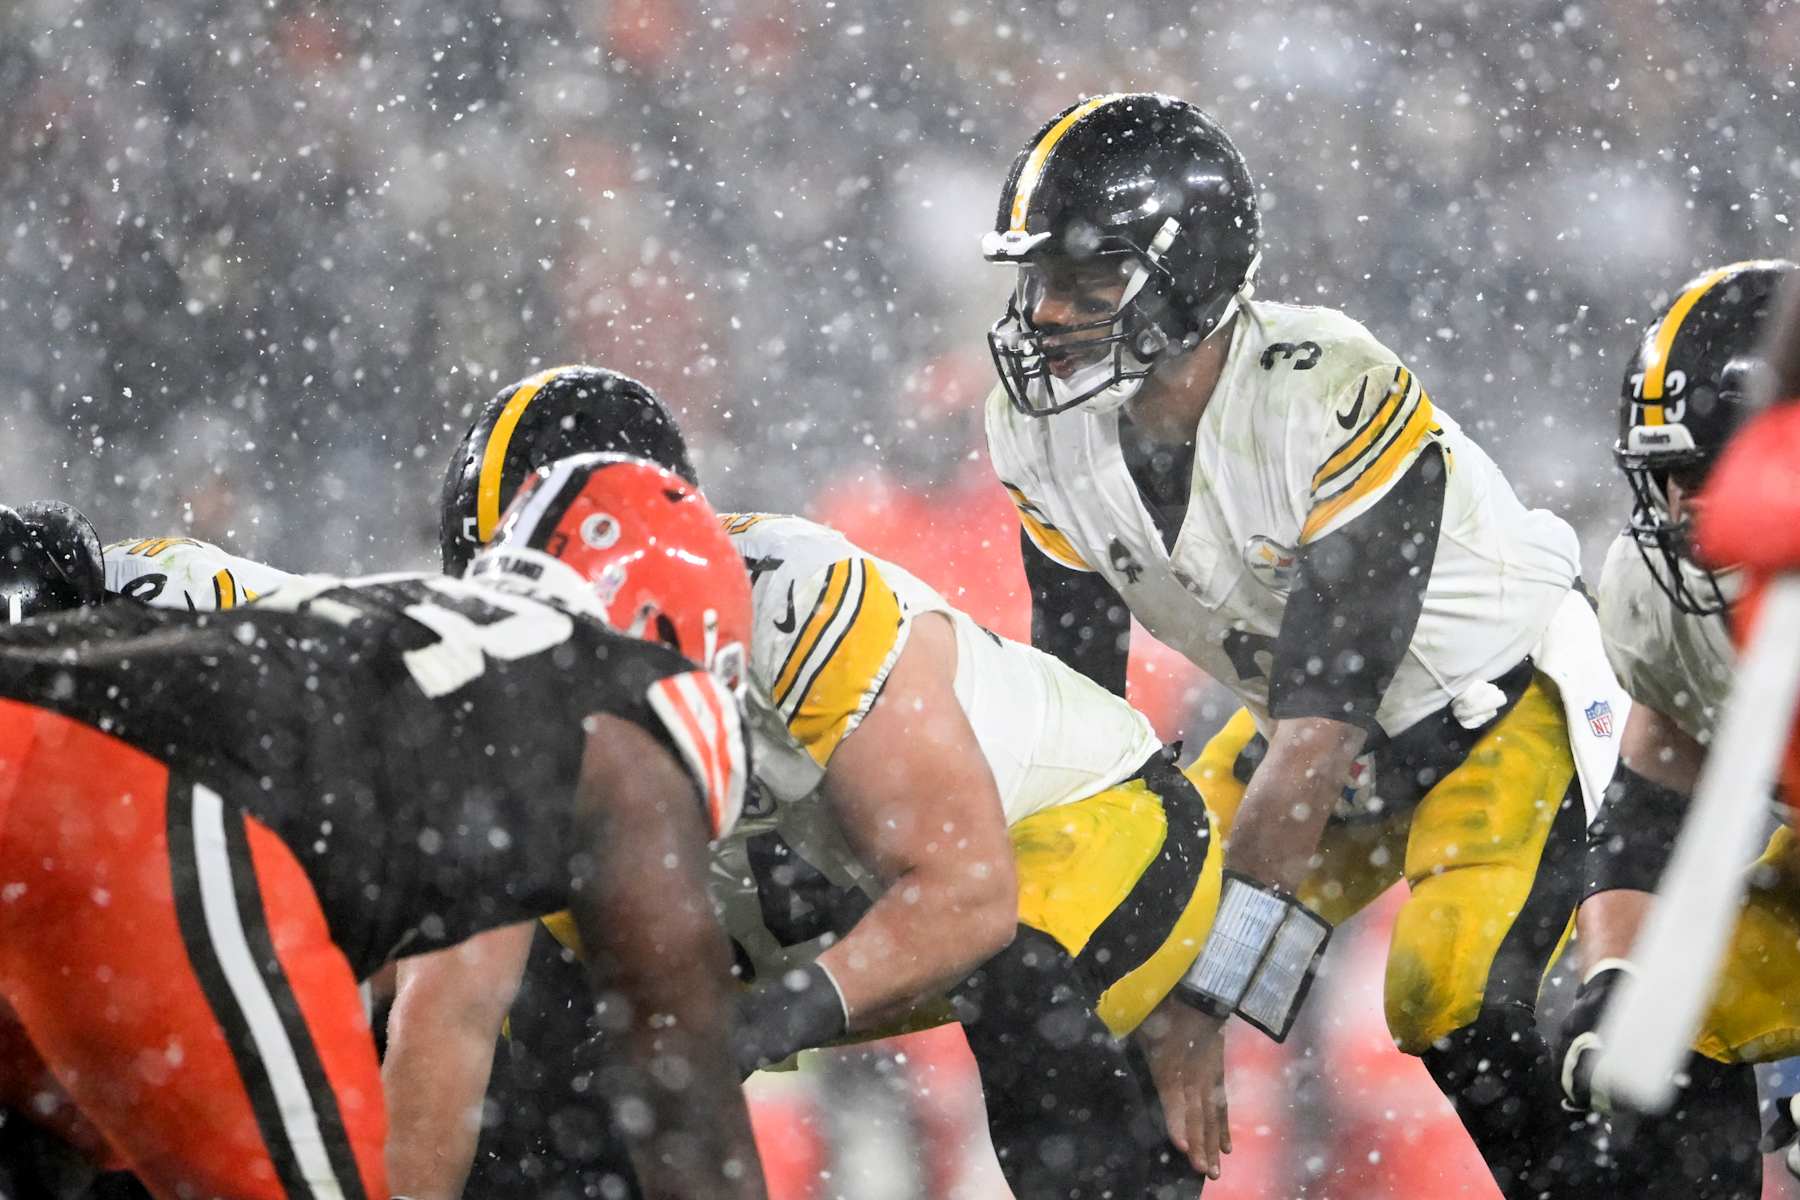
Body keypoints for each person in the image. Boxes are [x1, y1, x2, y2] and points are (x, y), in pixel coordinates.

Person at [982, 92, 1628, 1198]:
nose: (1045, 317)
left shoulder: (1326, 389)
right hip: (1314, 727)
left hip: (1494, 708)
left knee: (1448, 991)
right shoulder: (1045, 432)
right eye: (1038, 282)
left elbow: (1321, 740)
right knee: (1083, 950)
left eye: (1086, 282)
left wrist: (1199, 1003)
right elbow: (1072, 713)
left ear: (1186, 281)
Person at [390, 366, 1230, 1200]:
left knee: (1019, 973)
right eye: (508, 603)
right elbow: (447, 1022)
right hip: (831, 914)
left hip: (1072, 844)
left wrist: (764, 1019)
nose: (533, 647)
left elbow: (967, 896)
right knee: (534, 1039)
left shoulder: (802, 605)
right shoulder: (486, 694)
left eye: (564, 598)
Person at [0, 460, 765, 1200]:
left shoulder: (391, 614)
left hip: (34, 723)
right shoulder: (636, 700)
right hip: (153, 814)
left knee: (61, 1149)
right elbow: (678, 1079)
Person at [1551, 260, 1800, 1199]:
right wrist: (1614, 974)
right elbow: (1650, 799)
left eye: (1710, 470)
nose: (1686, 510)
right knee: (1653, 1027)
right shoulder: (1656, 593)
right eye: (1666, 477)